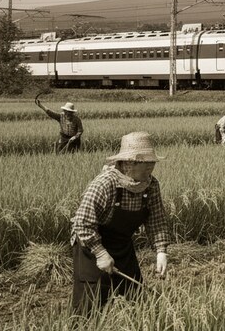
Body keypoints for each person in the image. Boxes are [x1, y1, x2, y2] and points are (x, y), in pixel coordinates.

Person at [70, 131, 171, 316]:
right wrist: (100, 254)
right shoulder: (104, 184)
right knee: (90, 304)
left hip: (121, 244)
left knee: (135, 299)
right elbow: (82, 223)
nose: (151, 167)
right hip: (91, 246)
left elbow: (156, 219)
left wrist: (161, 252)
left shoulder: (151, 185)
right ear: (128, 163)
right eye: (145, 163)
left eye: (152, 162)